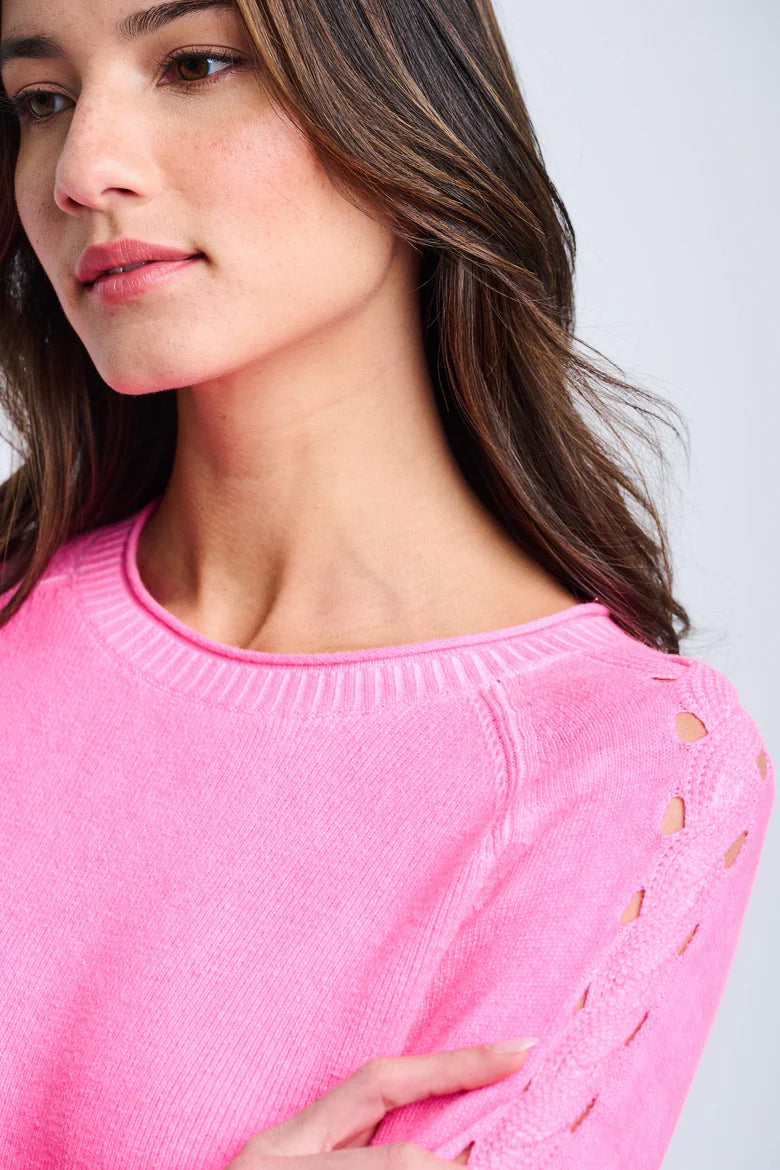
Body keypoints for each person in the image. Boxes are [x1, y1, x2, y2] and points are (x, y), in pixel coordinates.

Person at [0, 0, 773, 1167]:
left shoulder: (617, 768)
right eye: (42, 101)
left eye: (195, 64)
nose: (80, 171)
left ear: (406, 95)